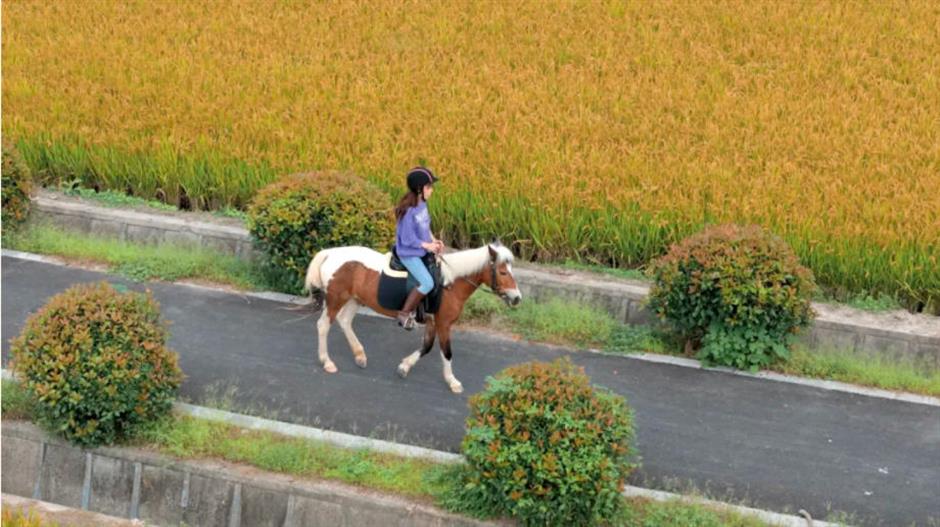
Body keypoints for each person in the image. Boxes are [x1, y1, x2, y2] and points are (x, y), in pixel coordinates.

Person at [393, 166, 444, 330]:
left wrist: (434, 240)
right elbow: (408, 239)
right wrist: (427, 246)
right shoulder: (409, 211)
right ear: (419, 189)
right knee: (428, 283)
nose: (432, 190)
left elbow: (425, 227)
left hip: (420, 249)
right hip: (408, 253)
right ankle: (404, 313)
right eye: (429, 187)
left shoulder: (422, 204)